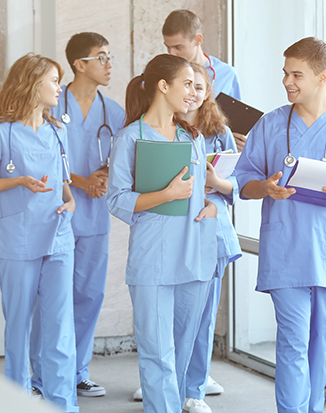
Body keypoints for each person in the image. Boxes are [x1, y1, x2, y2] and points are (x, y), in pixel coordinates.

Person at [233, 37, 326, 413]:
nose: (287, 82)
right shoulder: (270, 125)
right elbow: (243, 183)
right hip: (286, 249)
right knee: (293, 342)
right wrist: (266, 186)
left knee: (321, 345)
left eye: (296, 74)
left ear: (322, 76)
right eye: (285, 73)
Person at [106, 54, 218, 413]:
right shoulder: (129, 138)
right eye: (187, 84)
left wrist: (213, 206)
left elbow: (204, 192)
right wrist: (165, 195)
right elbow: (117, 199)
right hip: (153, 258)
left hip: (194, 253)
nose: (193, 93)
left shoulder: (192, 137)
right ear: (163, 86)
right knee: (157, 354)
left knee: (182, 351)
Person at [0, 53, 79, 413]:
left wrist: (71, 203)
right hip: (18, 239)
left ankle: (63, 404)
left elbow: (65, 185)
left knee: (60, 327)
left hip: (59, 236)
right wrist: (17, 180)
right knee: (19, 327)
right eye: (53, 80)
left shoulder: (58, 130)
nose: (59, 87)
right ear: (32, 85)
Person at [29, 32, 126, 398]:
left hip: (95, 217)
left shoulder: (113, 113)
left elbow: (123, 160)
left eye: (109, 56)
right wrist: (83, 181)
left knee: (88, 295)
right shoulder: (52, 104)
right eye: (101, 57)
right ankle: (41, 376)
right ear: (79, 65)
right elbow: (40, 159)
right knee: (52, 297)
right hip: (57, 213)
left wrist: (105, 177)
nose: (108, 64)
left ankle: (77, 371)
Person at [175, 63, 242, 413]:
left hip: (211, 231)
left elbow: (238, 185)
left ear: (208, 92)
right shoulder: (163, 127)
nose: (193, 93)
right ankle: (164, 383)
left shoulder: (221, 133)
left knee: (202, 317)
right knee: (170, 315)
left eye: (199, 87)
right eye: (188, 85)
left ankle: (193, 390)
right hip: (173, 228)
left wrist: (215, 183)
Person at [162, 9, 247, 152]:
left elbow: (235, 123)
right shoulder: (161, 73)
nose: (172, 53)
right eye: (167, 47)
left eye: (178, 47)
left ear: (198, 40)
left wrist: (236, 141)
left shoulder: (227, 74)